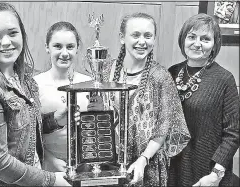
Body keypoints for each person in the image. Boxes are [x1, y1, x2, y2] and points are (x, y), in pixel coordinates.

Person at [0, 2, 70, 186]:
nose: (6, 42)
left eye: (12, 33)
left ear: (22, 35)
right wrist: (51, 180)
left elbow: (21, 132)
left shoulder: (24, 76)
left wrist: (55, 120)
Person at [99, 12, 191, 186]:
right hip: (108, 162)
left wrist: (143, 158)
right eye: (135, 35)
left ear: (154, 39)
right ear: (122, 37)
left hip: (147, 165)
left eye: (148, 36)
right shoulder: (105, 71)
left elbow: (164, 127)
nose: (142, 41)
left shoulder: (161, 76)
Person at [168, 13, 239, 186]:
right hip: (174, 167)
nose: (197, 43)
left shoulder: (224, 79)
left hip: (207, 172)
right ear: (183, 40)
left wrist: (216, 174)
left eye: (205, 39)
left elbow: (233, 133)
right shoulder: (172, 72)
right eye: (191, 37)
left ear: (214, 45)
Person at [33, 21, 92, 172]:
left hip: (85, 167)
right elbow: (28, 133)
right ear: (47, 47)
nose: (64, 53)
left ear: (77, 48)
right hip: (47, 167)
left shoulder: (91, 83)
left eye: (70, 47)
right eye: (58, 46)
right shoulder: (35, 85)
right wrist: (48, 159)